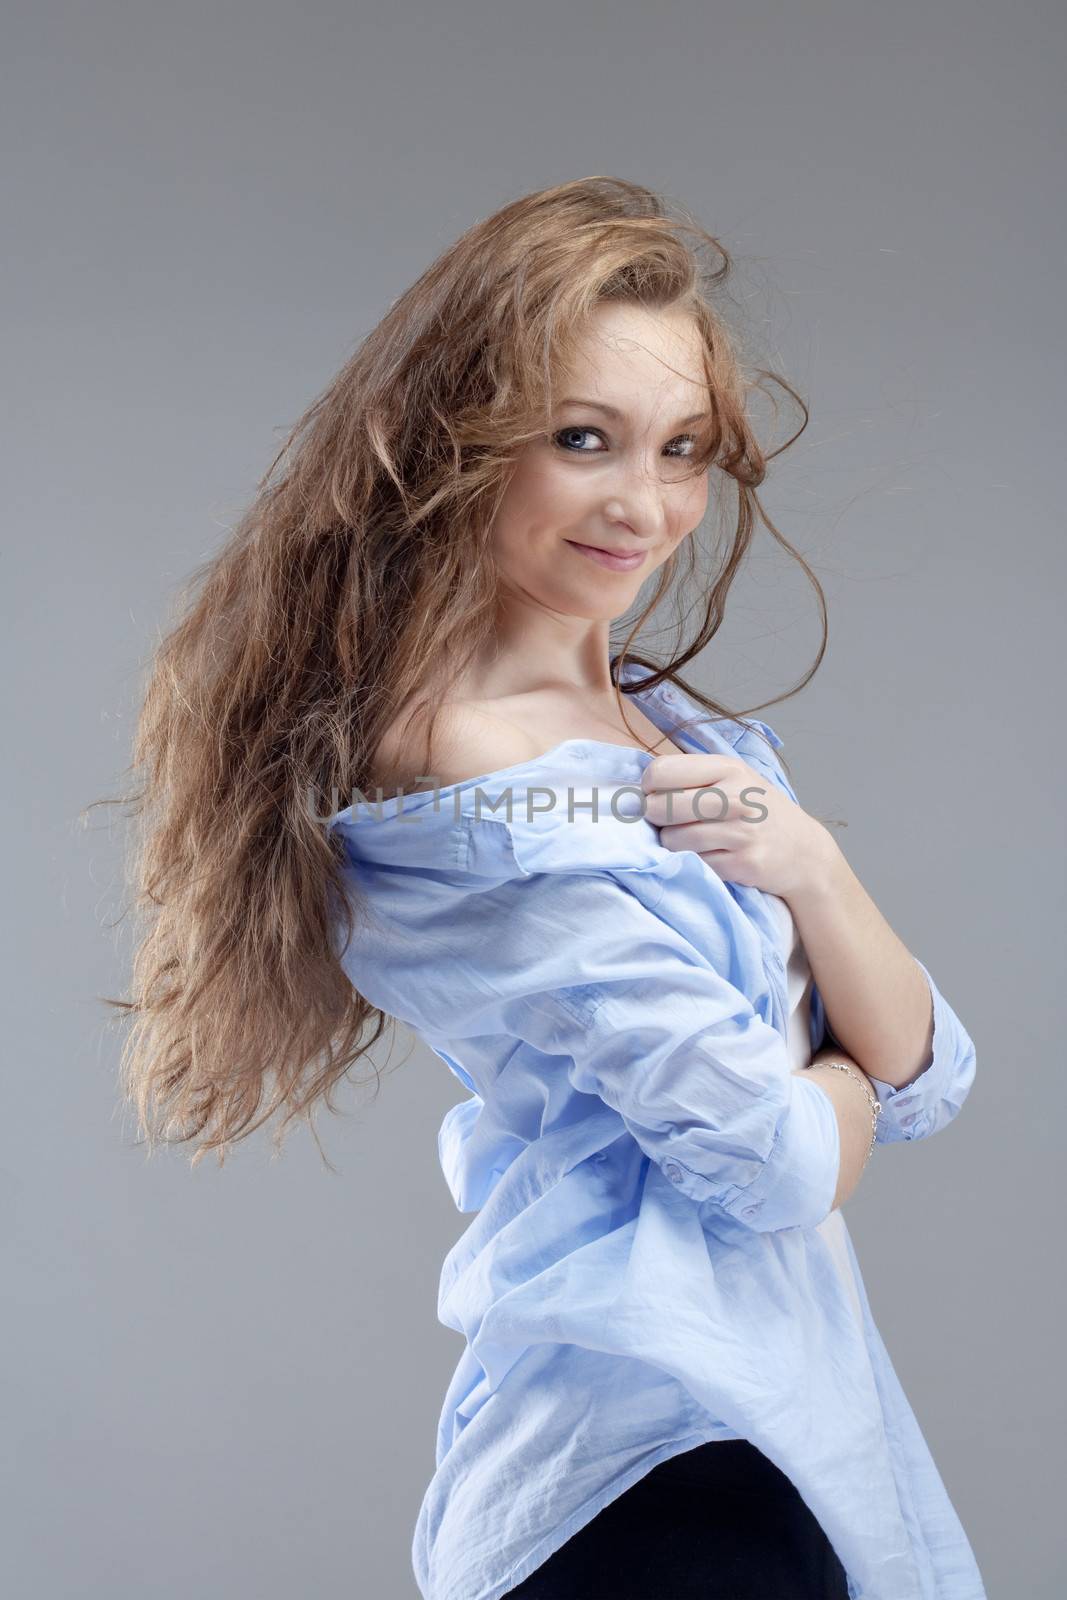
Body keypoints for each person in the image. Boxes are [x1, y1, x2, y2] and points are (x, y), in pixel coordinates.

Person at [109, 177, 986, 1599]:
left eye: (683, 449)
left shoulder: (680, 731)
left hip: (779, 1435)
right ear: (458, 445)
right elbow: (775, 1160)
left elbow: (934, 1074)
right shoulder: (471, 788)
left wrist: (810, 864)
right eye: (584, 441)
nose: (646, 506)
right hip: (644, 1473)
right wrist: (838, 1082)